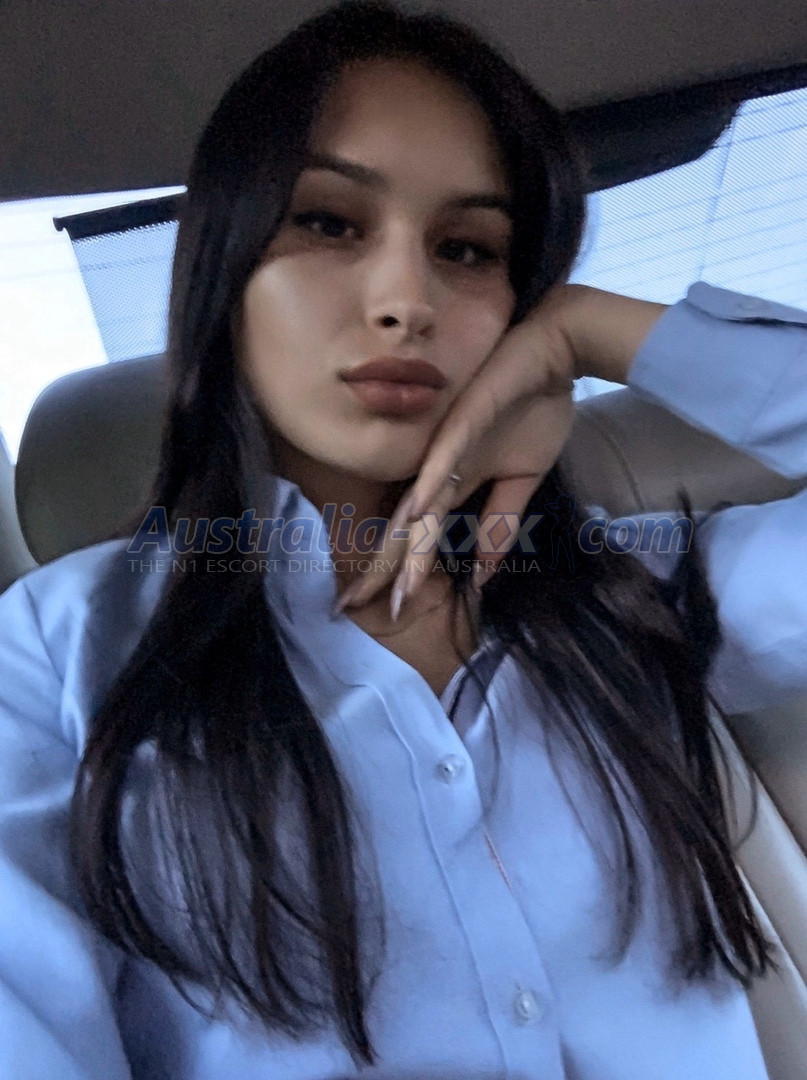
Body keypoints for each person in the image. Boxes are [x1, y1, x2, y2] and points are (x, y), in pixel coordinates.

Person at [0, 2, 805, 1077]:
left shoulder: (636, 588)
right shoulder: (52, 659)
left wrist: (596, 331)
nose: (406, 301)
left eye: (468, 249)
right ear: (226, 274)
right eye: (329, 223)